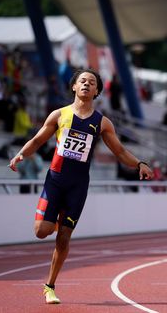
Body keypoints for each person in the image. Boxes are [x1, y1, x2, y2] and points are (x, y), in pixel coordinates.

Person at [8, 68, 154, 304]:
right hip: (55, 181)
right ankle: (54, 218)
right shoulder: (59, 115)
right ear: (74, 86)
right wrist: (20, 155)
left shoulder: (102, 122)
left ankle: (49, 286)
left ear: (97, 91)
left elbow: (119, 151)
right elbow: (37, 139)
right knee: (41, 232)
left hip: (78, 186)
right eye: (82, 81)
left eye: (92, 82)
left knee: (64, 238)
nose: (87, 84)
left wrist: (139, 163)